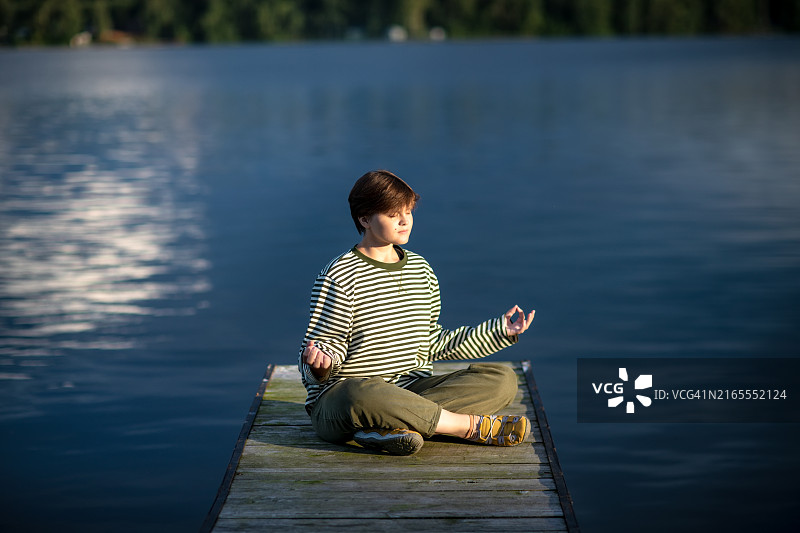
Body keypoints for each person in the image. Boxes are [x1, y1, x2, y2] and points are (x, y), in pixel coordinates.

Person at [298, 170, 535, 455]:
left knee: (503, 380)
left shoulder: (421, 270)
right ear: (364, 219)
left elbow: (433, 342)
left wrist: (499, 331)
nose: (404, 221)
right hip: (343, 400)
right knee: (357, 392)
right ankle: (467, 427)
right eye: (393, 214)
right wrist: (319, 366)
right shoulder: (339, 275)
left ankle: (391, 427)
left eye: (408, 212)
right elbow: (324, 346)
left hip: (410, 388)